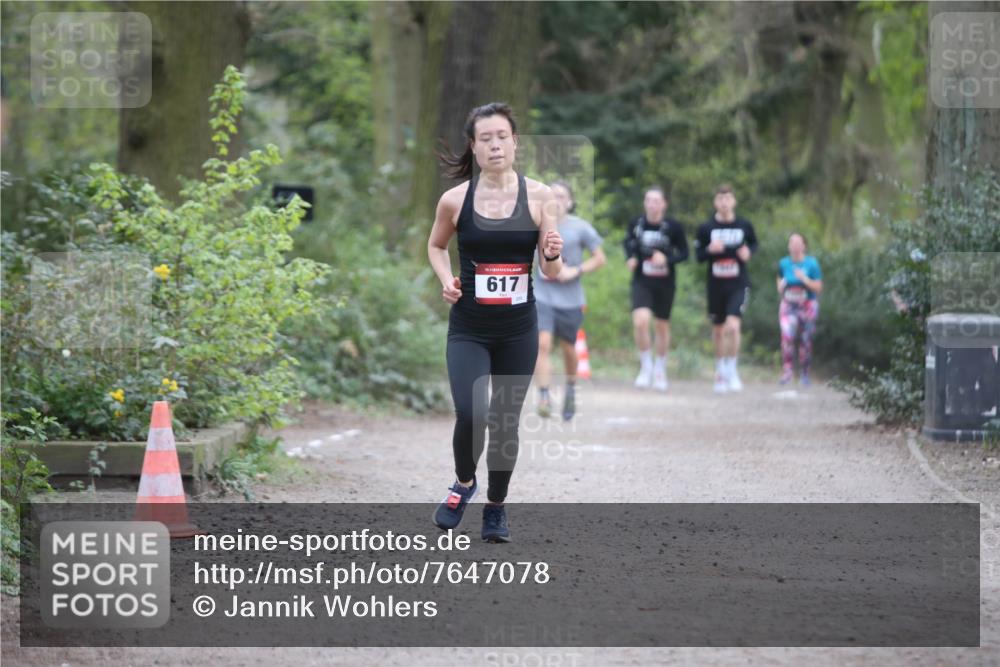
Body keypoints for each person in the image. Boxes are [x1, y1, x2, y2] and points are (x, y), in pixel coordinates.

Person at [426, 102, 563, 543]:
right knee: (471, 412)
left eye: (502, 136)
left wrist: (553, 253)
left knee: (504, 423)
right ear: (474, 146)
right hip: (469, 327)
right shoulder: (455, 200)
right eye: (485, 138)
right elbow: (435, 246)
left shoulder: (540, 197)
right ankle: (464, 482)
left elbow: (552, 271)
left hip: (518, 330)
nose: (495, 145)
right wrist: (447, 280)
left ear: (515, 142)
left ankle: (496, 508)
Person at [534, 180, 606, 420]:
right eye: (552, 195)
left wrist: (576, 271)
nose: (556, 200)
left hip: (571, 299)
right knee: (542, 344)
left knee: (568, 348)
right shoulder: (536, 225)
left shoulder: (580, 228)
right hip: (542, 295)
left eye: (561, 196)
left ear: (570, 202)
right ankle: (544, 396)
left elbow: (600, 258)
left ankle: (571, 388)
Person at [623, 186, 689, 391]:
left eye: (656, 201)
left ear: (664, 204)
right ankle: (646, 366)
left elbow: (684, 253)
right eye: (648, 200)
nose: (652, 205)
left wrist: (667, 259)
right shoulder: (637, 223)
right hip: (642, 280)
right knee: (640, 321)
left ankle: (660, 368)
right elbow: (628, 243)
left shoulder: (673, 226)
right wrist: (631, 258)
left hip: (665, 282)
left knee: (661, 325)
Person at [695, 184, 758, 393]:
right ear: (715, 202)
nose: (724, 202)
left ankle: (732, 370)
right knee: (719, 330)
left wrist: (748, 252)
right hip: (715, 285)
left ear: (734, 201)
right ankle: (720, 370)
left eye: (728, 198)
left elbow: (754, 244)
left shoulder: (744, 225)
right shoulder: (706, 228)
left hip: (738, 283)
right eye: (720, 199)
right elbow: (698, 256)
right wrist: (709, 249)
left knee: (733, 326)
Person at [776, 233, 823, 386]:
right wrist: (781, 286)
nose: (795, 246)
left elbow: (818, 288)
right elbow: (779, 283)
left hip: (807, 305)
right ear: (788, 246)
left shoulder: (811, 264)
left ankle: (804, 373)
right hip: (789, 305)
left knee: (805, 339)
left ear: (804, 246)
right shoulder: (783, 263)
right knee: (787, 336)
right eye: (792, 243)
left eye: (798, 243)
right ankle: (787, 372)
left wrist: (805, 279)